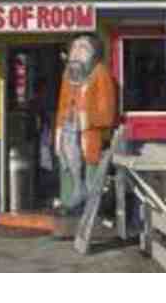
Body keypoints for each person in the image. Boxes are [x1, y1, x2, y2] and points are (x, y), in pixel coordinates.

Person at [54, 34, 117, 215]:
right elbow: (62, 104)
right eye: (74, 48)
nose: (77, 52)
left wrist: (88, 119)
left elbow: (107, 112)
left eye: (83, 48)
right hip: (68, 130)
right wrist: (58, 128)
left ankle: (92, 206)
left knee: (91, 168)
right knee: (67, 163)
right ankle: (70, 200)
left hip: (89, 135)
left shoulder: (101, 73)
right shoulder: (68, 75)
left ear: (94, 53)